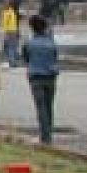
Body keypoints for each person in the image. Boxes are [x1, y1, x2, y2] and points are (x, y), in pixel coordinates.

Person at [22, 15, 60, 145]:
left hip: (36, 76)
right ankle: (48, 133)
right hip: (51, 76)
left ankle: (44, 136)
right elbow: (55, 57)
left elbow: (26, 58)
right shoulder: (51, 42)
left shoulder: (30, 43)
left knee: (41, 107)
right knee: (49, 106)